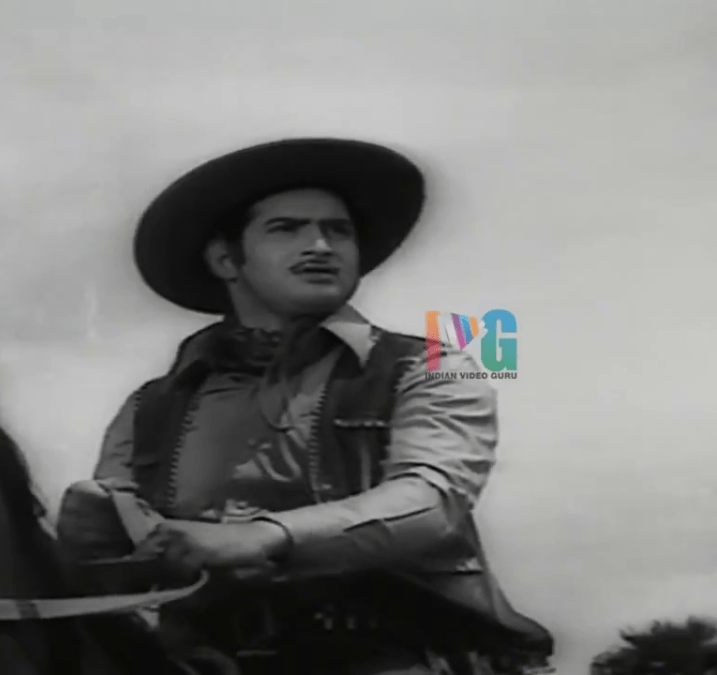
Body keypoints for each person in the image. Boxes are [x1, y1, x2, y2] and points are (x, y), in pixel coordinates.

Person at [55, 138, 554, 675]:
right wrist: (99, 539)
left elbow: (431, 500)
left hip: (404, 654)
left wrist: (262, 538)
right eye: (286, 229)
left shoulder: (431, 367)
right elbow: (122, 564)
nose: (320, 245)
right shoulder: (150, 408)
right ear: (225, 259)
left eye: (338, 231)